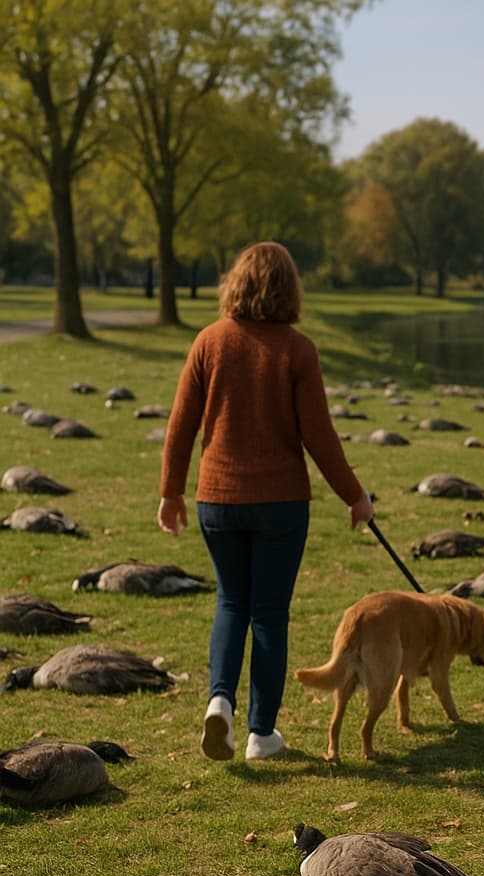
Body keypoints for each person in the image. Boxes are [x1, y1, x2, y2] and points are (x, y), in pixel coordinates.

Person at [158, 241, 373, 762]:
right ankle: (261, 734)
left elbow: (180, 426)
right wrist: (355, 497)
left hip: (217, 499)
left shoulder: (208, 341)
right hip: (281, 503)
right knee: (270, 614)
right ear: (289, 290)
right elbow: (319, 436)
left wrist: (171, 492)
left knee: (231, 602)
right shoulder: (297, 350)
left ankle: (219, 701)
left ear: (235, 283)